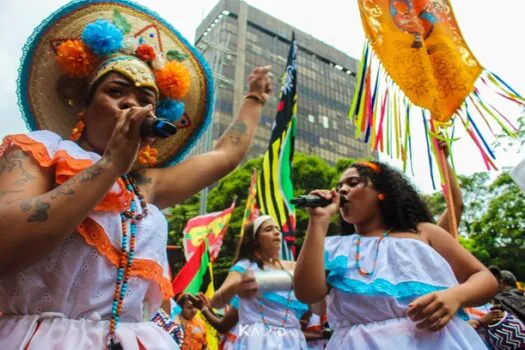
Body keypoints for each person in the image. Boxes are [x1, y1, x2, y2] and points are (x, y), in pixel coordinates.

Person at [0, 1, 273, 349]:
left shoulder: (144, 184)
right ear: (82, 107)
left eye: (147, 99)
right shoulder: (40, 150)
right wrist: (109, 165)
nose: (134, 105)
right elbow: (5, 243)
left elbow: (226, 155)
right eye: (116, 92)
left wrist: (254, 97)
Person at [294, 160, 498, 349]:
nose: (342, 190)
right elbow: (307, 294)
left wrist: (454, 297)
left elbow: (485, 279)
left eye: (353, 183)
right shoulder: (333, 247)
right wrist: (318, 222)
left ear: (381, 192)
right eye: (339, 188)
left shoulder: (424, 233)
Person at [210, 216, 316, 349]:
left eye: (277, 229)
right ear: (255, 240)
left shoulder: (294, 267)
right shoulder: (246, 266)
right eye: (269, 229)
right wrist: (236, 287)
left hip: (292, 339)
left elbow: (314, 298)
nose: (277, 232)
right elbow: (215, 302)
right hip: (258, 340)